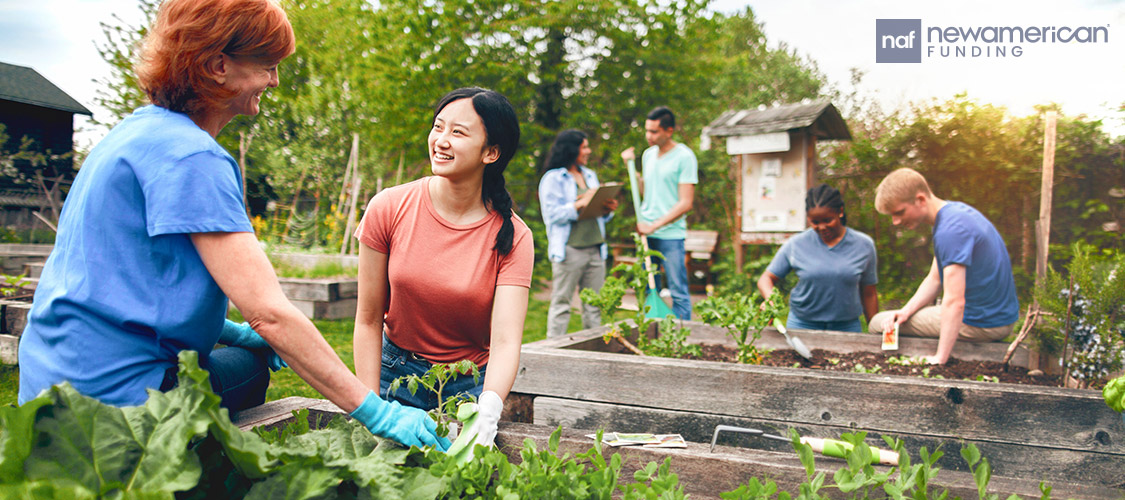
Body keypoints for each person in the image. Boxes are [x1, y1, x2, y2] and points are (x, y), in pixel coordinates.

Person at [17, 0, 447, 451]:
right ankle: (188, 467)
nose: (275, 80)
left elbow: (127, 286)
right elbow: (270, 312)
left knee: (242, 349)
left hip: (52, 387)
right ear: (219, 65)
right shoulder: (194, 157)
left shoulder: (131, 135)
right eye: (267, 64)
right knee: (251, 366)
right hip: (118, 406)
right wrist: (377, 412)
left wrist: (233, 330)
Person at [352, 87, 533, 448]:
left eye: (458, 132)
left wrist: (490, 408)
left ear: (491, 152)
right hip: (394, 376)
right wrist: (370, 406)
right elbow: (368, 318)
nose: (441, 141)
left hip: (467, 390)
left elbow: (505, 341)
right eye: (438, 127)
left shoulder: (514, 236)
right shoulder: (388, 207)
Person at [867, 168, 1019, 364]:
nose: (896, 221)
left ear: (920, 199)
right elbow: (935, 279)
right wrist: (905, 311)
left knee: (877, 323)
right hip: (997, 317)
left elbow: (955, 301)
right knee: (895, 318)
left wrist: (940, 357)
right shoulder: (954, 215)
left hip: (984, 322)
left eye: (899, 212)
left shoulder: (950, 231)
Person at [757, 185, 879, 332]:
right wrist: (771, 299)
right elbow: (766, 278)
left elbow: (869, 292)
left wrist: (875, 331)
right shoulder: (796, 244)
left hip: (846, 326)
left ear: (840, 212)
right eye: (815, 222)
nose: (821, 227)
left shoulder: (863, 245)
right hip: (802, 324)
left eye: (827, 220)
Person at [619, 106, 698, 319]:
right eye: (647, 130)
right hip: (647, 234)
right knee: (646, 289)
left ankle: (684, 339)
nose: (648, 136)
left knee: (678, 291)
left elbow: (686, 203)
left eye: (654, 132)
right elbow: (648, 192)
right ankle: (653, 333)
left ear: (669, 131)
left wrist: (654, 225)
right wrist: (632, 170)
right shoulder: (648, 155)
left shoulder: (684, 157)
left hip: (671, 235)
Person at [539, 129, 618, 337]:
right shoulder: (553, 178)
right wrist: (579, 204)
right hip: (570, 250)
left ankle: (593, 350)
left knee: (594, 305)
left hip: (596, 248)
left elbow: (597, 214)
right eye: (584, 147)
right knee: (562, 302)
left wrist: (607, 208)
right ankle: (553, 350)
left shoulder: (590, 175)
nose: (588, 151)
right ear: (571, 149)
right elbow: (552, 214)